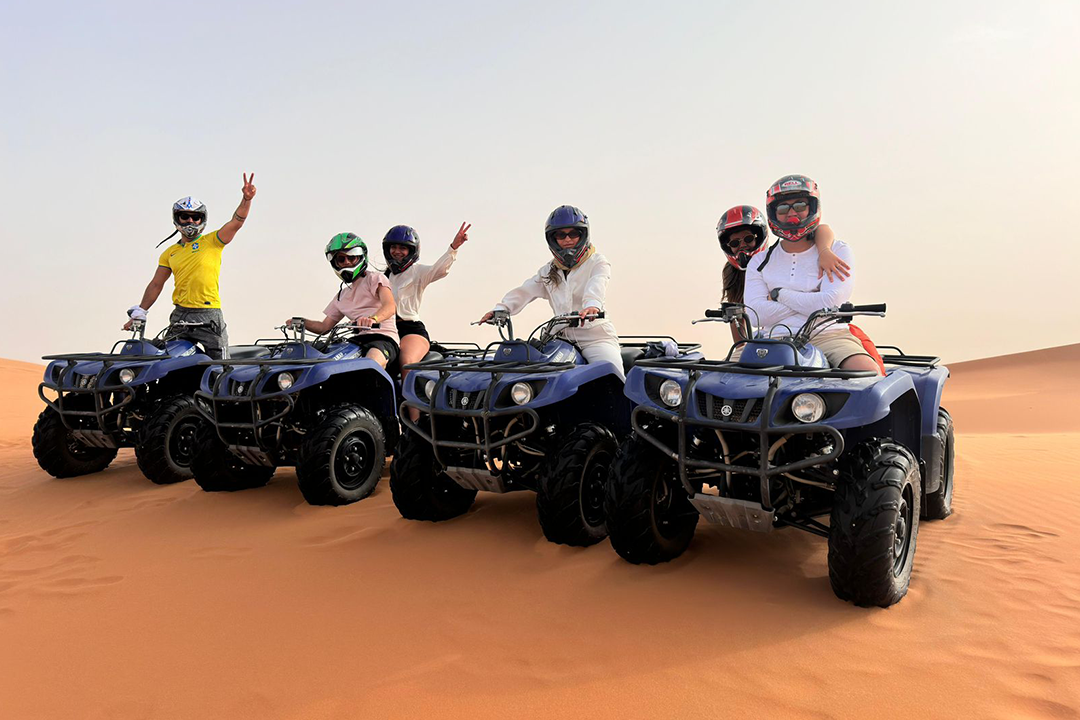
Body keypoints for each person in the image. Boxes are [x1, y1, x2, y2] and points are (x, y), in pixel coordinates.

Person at [743, 175, 883, 374]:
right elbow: (755, 314)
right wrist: (810, 302)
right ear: (773, 213)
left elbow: (831, 301)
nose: (792, 214)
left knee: (867, 373)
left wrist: (778, 295)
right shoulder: (759, 261)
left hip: (828, 335)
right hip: (772, 338)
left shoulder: (837, 251)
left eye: (800, 205)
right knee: (711, 380)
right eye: (783, 209)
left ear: (812, 207)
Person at [478, 205, 625, 380]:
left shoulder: (597, 262)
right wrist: (501, 309)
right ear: (553, 239)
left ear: (583, 235)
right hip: (559, 338)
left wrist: (592, 306)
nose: (568, 239)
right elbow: (525, 290)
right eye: (561, 235)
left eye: (574, 234)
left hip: (594, 338)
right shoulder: (548, 271)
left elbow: (597, 285)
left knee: (612, 374)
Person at [123, 173, 257, 359]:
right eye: (185, 216)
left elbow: (237, 222)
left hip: (208, 315)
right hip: (181, 315)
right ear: (177, 219)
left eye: (196, 217)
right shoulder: (170, 252)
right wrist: (141, 310)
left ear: (202, 219)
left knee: (221, 366)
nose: (190, 221)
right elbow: (156, 284)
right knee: (166, 359)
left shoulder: (213, 241)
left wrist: (246, 199)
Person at [718, 204, 848, 345]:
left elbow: (822, 229)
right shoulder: (731, 274)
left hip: (817, 332)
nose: (742, 246)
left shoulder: (776, 258)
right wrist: (741, 348)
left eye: (748, 239)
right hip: (773, 334)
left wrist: (824, 250)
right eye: (735, 243)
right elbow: (737, 317)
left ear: (760, 236)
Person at [287, 234, 399, 369]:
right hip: (356, 342)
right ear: (335, 263)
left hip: (383, 339)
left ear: (361, 257)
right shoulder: (342, 295)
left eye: (351, 257)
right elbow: (324, 327)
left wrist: (373, 319)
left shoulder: (375, 278)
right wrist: (302, 322)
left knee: (370, 364)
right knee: (324, 365)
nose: (346, 262)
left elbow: (390, 306)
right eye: (341, 259)